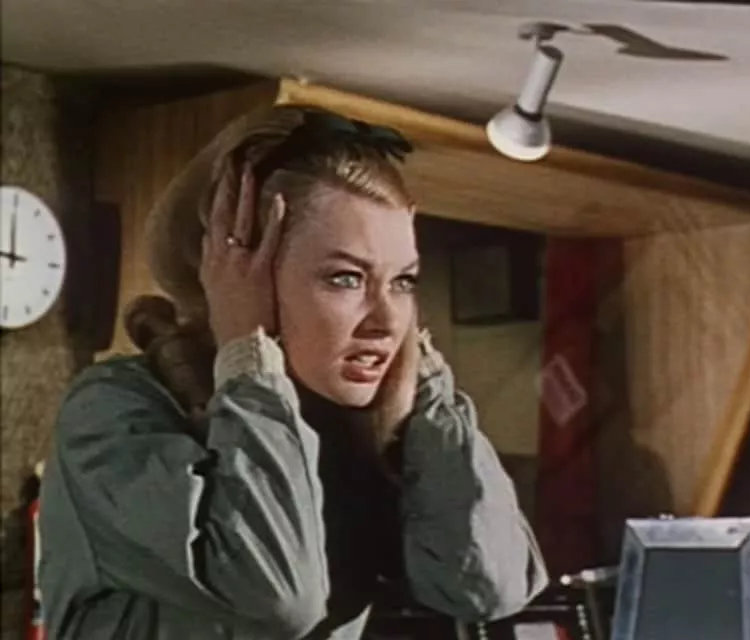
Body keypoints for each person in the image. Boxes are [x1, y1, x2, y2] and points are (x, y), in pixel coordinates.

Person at [37, 105, 549, 639]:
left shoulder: (344, 426)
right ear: (237, 277)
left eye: (403, 281)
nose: (385, 321)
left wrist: (423, 383)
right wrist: (248, 351)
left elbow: (487, 587)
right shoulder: (112, 409)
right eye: (346, 278)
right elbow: (276, 594)